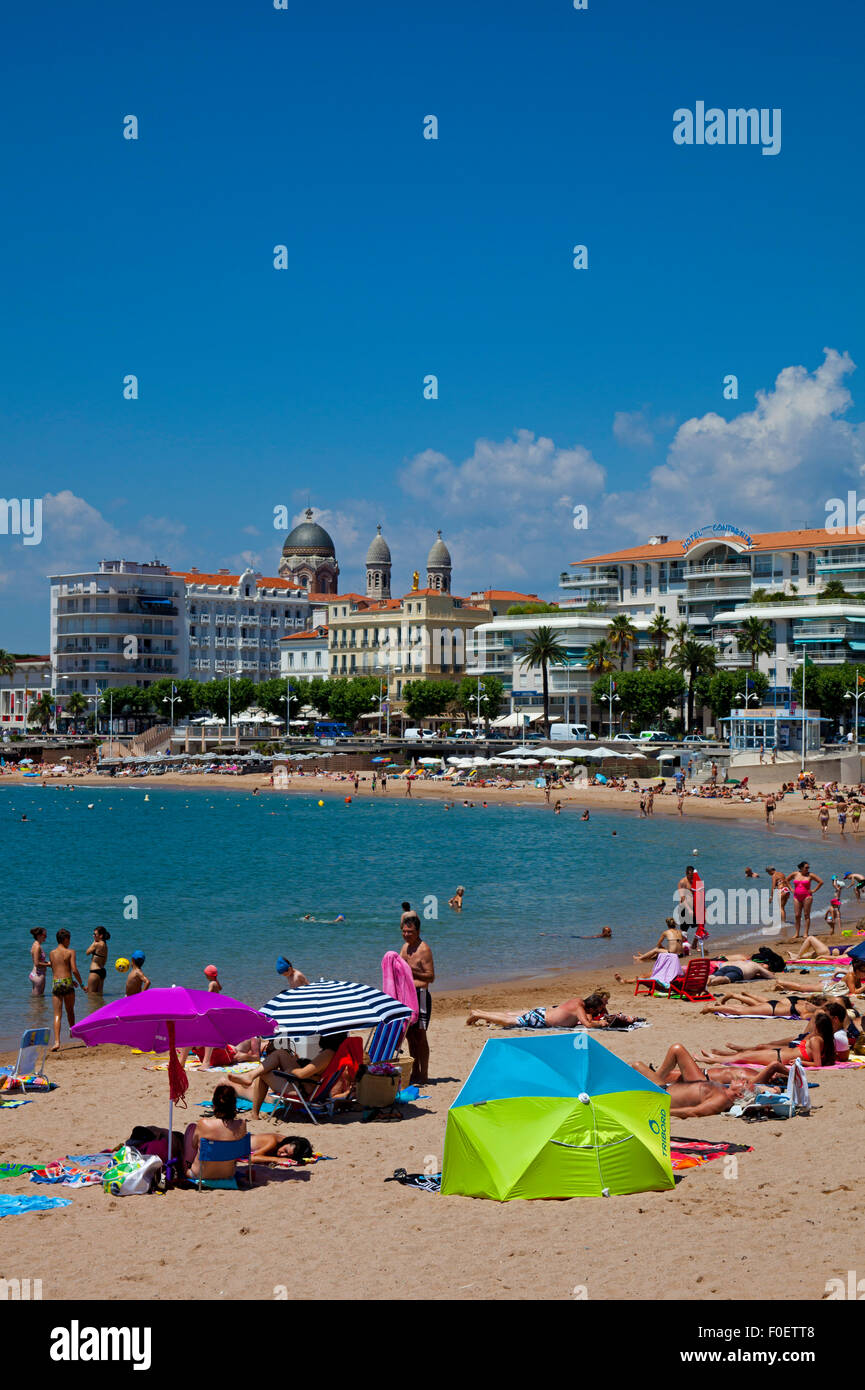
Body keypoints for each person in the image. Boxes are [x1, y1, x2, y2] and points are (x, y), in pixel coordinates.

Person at [228, 1032, 349, 1121]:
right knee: (281, 1053)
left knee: (263, 1073)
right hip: (307, 1084)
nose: (321, 1034)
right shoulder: (335, 1052)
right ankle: (250, 1076)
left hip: (304, 1089)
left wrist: (291, 1070)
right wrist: (299, 1062)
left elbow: (303, 1074)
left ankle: (254, 1113)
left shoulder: (328, 1053)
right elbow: (315, 1070)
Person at [631, 1044, 761, 1117]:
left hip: (661, 1098)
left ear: (740, 1094)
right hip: (663, 1088)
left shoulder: (721, 1099)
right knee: (637, 1065)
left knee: (635, 1069)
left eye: (745, 1083)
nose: (743, 1080)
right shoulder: (723, 1092)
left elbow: (694, 1111)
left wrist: (663, 1112)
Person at [699, 1011, 837, 1069]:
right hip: (779, 1054)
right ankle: (714, 1057)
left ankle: (711, 1060)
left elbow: (817, 1064)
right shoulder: (820, 1039)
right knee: (744, 1055)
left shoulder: (816, 1040)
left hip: (779, 1057)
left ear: (819, 1027)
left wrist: (801, 1062)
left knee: (742, 1057)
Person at [188, 1084, 248, 1183]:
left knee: (191, 1128)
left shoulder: (204, 1124)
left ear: (214, 1104)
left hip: (200, 1174)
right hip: (228, 1174)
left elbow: (193, 1145)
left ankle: (187, 1165)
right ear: (234, 1104)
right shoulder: (242, 1125)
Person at [466, 991, 618, 1031]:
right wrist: (602, 1024)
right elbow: (588, 1025)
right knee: (509, 1022)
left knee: (512, 1019)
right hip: (540, 1020)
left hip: (541, 1013)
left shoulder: (578, 1001)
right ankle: (478, 1014)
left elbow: (587, 1019)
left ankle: (480, 1012)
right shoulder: (580, 1007)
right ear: (591, 1007)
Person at [399, 915, 435, 1085]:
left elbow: (430, 976)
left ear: (418, 931)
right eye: (404, 931)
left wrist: (410, 972)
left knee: (421, 1036)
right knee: (410, 1036)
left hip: (420, 996)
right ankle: (415, 1072)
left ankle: (424, 1074)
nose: (406, 934)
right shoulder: (405, 948)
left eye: (410, 932)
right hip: (407, 997)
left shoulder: (424, 949)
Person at [49, 929, 84, 1051]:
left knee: (57, 1014)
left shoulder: (52, 953)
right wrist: (82, 984)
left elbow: (56, 969)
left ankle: (57, 1042)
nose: (69, 942)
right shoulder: (70, 952)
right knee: (70, 1011)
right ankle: (72, 1032)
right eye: (69, 939)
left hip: (56, 983)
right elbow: (73, 970)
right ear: (65, 939)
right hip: (68, 982)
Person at [789, 862, 823, 939]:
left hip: (807, 897)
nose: (808, 869)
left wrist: (814, 890)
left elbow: (821, 882)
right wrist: (791, 888)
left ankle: (805, 933)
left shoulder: (810, 875)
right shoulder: (795, 874)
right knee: (797, 915)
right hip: (796, 897)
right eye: (806, 867)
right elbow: (786, 880)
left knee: (806, 915)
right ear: (801, 868)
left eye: (808, 867)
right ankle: (797, 933)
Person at [707, 957, 774, 986]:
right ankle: (712, 982)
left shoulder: (745, 961)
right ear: (762, 964)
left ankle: (709, 978)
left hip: (725, 967)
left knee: (714, 975)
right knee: (726, 979)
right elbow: (771, 976)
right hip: (738, 971)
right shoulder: (756, 966)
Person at [85, 926, 111, 995]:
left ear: (101, 936)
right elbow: (105, 960)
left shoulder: (96, 944)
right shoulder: (105, 945)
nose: (93, 936)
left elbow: (87, 952)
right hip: (102, 971)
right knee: (99, 996)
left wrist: (94, 942)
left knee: (91, 995)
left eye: (95, 934)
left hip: (94, 972)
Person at [29, 926, 49, 996]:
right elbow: (37, 963)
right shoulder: (37, 947)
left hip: (34, 974)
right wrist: (49, 965)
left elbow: (37, 960)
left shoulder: (35, 944)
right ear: (38, 936)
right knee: (38, 999)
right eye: (44, 935)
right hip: (39, 975)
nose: (46, 937)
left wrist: (47, 962)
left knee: (35, 998)